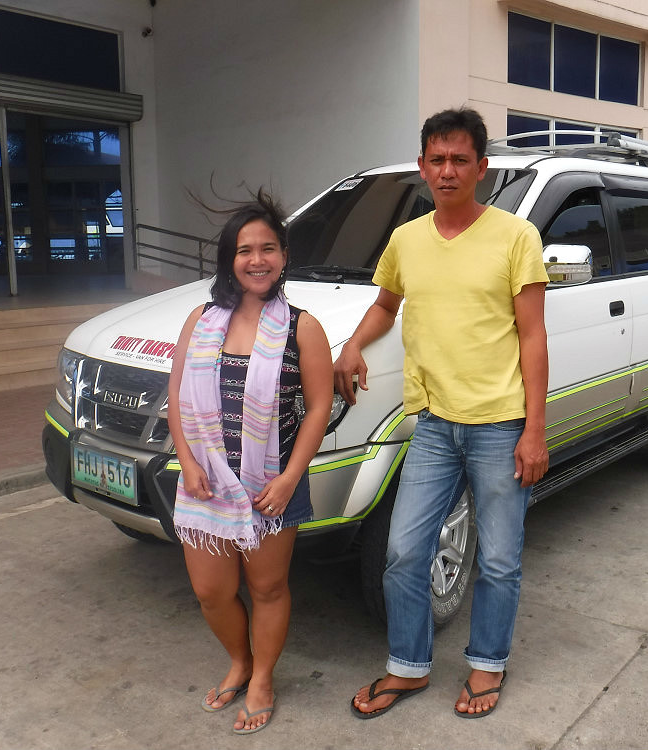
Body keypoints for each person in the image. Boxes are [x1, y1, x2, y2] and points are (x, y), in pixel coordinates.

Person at [335, 107, 549, 719]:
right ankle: (408, 667)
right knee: (403, 552)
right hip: (431, 425)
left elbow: (533, 336)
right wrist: (352, 345)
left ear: (482, 168)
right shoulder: (406, 240)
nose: (448, 170)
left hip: (499, 424)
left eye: (460, 159)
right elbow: (386, 305)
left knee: (499, 559)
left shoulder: (516, 237)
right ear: (422, 167)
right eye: (437, 159)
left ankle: (487, 664)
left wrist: (534, 430)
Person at [167, 190, 333, 734]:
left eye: (268, 248)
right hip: (207, 483)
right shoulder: (200, 320)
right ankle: (239, 660)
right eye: (245, 250)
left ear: (284, 255)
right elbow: (177, 398)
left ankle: (261, 678)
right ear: (229, 259)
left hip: (271, 485)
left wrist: (289, 479)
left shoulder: (303, 327)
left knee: (267, 589)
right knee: (211, 592)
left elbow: (318, 409)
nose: (257, 260)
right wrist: (188, 462)